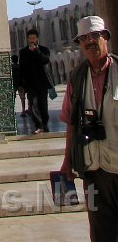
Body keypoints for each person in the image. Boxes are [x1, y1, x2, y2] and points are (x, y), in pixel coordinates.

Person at [59, 15, 118, 241]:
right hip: (94, 169)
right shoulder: (77, 77)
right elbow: (71, 122)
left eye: (95, 36)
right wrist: (67, 161)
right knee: (101, 229)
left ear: (105, 37)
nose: (90, 42)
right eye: (84, 38)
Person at [18, 27, 51, 133]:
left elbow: (45, 60)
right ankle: (38, 125)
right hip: (30, 83)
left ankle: (44, 124)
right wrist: (22, 83)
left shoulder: (44, 50)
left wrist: (36, 51)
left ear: (37, 39)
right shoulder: (23, 52)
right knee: (32, 105)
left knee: (42, 104)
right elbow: (22, 67)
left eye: (34, 38)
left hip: (41, 83)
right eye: (30, 38)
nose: (32, 40)